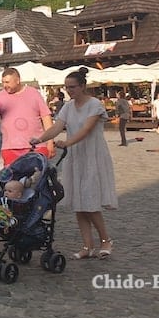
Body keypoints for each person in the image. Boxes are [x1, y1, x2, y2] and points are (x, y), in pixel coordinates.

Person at [31, 67, 117, 260]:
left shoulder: (94, 105)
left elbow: (86, 130)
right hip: (76, 158)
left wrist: (67, 142)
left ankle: (106, 240)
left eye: (73, 87)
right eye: (67, 88)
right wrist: (40, 139)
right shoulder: (68, 107)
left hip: (92, 156)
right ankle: (87, 245)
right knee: (79, 203)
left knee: (91, 203)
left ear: (83, 86)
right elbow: (56, 127)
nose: (70, 91)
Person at [0, 67, 55, 165]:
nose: (5, 85)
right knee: (12, 179)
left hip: (36, 146)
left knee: (38, 178)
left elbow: (46, 117)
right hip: (10, 148)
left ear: (18, 80)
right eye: (3, 82)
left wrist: (50, 141)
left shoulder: (34, 93)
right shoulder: (1, 96)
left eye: (7, 82)